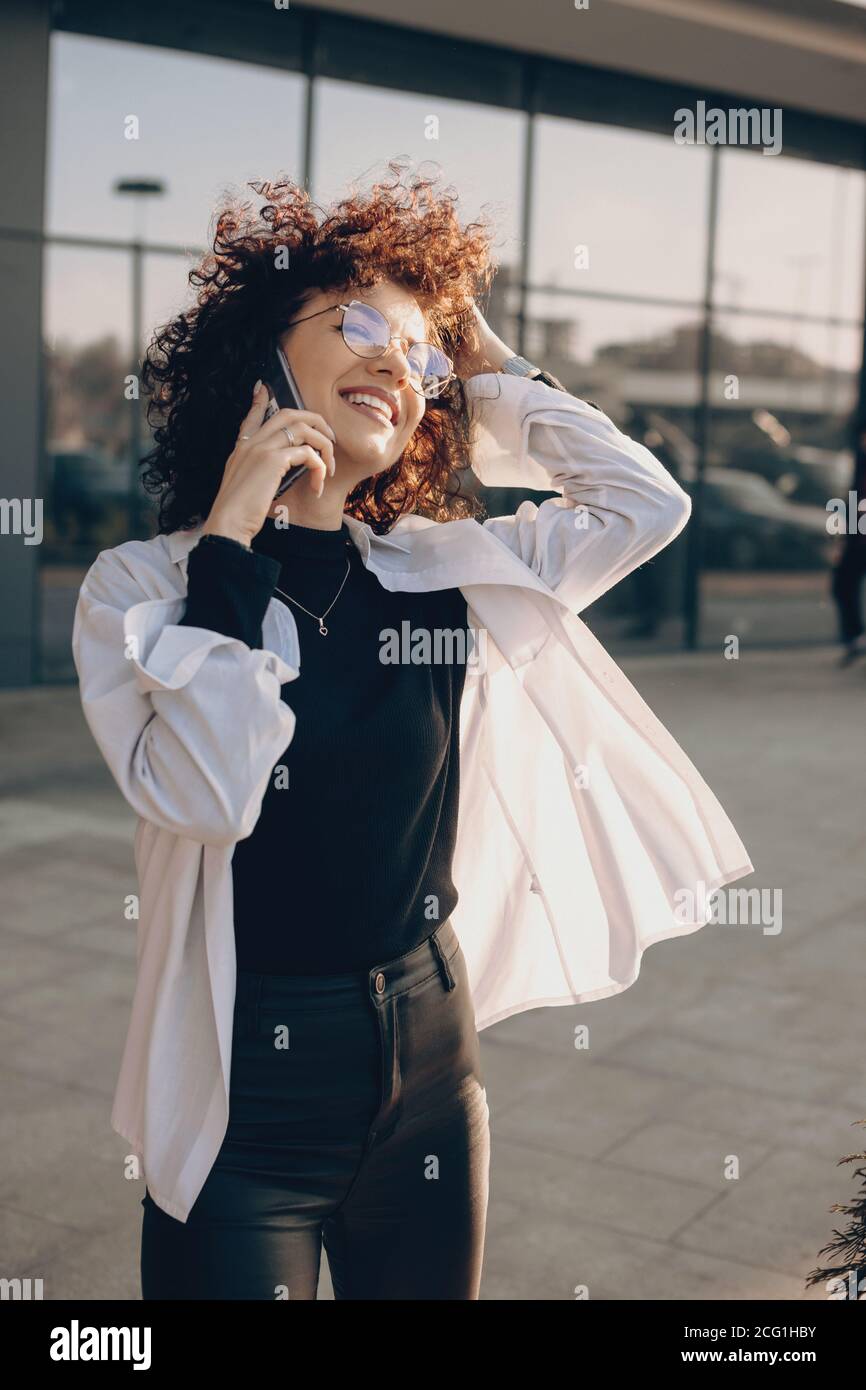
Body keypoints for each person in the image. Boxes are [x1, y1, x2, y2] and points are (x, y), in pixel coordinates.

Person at [71, 164, 753, 1300]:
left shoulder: (445, 571)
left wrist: (483, 361)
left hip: (432, 1069)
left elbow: (645, 504)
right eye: (355, 327)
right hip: (247, 1102)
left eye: (417, 355)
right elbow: (205, 792)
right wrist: (236, 551)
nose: (396, 362)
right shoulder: (142, 589)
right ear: (259, 350)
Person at [831, 418, 866, 667]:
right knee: (842, 583)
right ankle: (854, 638)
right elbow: (852, 504)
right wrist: (844, 540)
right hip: (859, 540)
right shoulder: (861, 468)